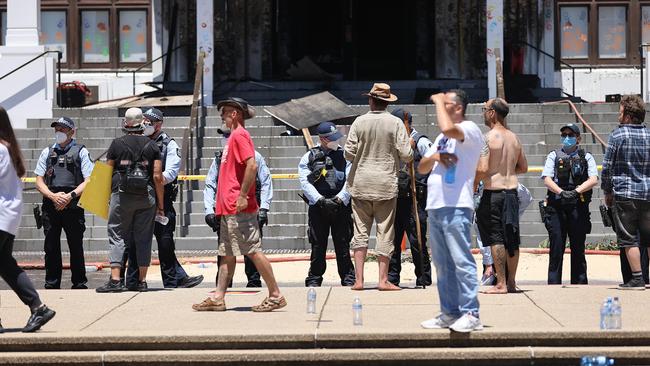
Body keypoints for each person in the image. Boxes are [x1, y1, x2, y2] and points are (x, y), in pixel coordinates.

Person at [193, 97, 286, 311]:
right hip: (229, 208)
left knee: (253, 250)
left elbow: (252, 166)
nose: (222, 117)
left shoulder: (240, 136)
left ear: (234, 113)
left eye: (224, 113)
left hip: (238, 207)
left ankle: (275, 295)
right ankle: (218, 297)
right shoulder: (233, 138)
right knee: (226, 253)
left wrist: (243, 195)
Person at [418, 90, 485, 332]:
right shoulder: (441, 138)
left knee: (461, 260)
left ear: (457, 108)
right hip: (436, 205)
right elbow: (423, 168)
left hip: (457, 206)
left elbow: (448, 129)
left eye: (446, 104)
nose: (440, 107)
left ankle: (471, 312)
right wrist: (435, 155)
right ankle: (449, 312)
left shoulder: (469, 129)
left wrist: (436, 99)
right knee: (442, 265)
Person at [122, 108, 204, 289]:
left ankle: (172, 280)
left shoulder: (169, 144)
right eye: (145, 119)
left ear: (159, 124)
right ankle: (133, 280)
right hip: (139, 197)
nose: (146, 123)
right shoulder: (137, 140)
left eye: (151, 120)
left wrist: (153, 180)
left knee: (165, 241)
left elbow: (171, 173)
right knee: (135, 241)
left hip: (161, 197)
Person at [344, 83, 413, 291]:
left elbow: (348, 153)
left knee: (360, 232)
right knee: (385, 232)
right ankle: (383, 280)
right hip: (385, 183)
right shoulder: (395, 123)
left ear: (370, 100)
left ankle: (359, 280)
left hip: (361, 183)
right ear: (387, 102)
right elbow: (407, 155)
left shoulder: (359, 122)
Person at [96, 108, 164, 293]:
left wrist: (105, 197)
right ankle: (141, 281)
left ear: (125, 124)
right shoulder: (152, 146)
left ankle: (116, 280)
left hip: (121, 195)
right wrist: (161, 205)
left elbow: (107, 172)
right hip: (146, 196)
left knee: (117, 234)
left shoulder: (117, 144)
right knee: (144, 238)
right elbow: (157, 177)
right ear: (143, 123)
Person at [0, 106, 56, 332]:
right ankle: (38, 307)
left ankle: (38, 307)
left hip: (1, 214)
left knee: (6, 265)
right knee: (6, 265)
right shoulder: (8, 148)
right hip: (8, 217)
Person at [203, 126, 271, 288]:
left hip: (248, 210)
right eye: (224, 136)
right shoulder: (220, 159)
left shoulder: (255, 157)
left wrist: (264, 208)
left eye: (229, 135)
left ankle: (255, 281)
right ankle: (223, 287)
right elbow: (210, 184)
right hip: (225, 211)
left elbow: (266, 181)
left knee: (252, 250)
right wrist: (209, 211)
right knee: (225, 252)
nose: (225, 139)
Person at [475, 98, 528, 294]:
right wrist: (506, 170)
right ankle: (512, 283)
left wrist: (474, 183)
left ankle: (501, 283)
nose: (483, 112)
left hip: (494, 193)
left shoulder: (487, 138)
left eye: (485, 109)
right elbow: (523, 167)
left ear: (492, 113)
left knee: (497, 237)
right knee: (512, 237)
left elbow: (482, 168)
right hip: (512, 192)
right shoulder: (514, 138)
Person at [34, 117, 93, 289]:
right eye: (57, 128)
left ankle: (79, 283)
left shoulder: (81, 151)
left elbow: (89, 181)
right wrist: (53, 197)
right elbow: (39, 180)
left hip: (72, 205)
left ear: (72, 131)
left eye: (62, 129)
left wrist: (69, 196)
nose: (59, 132)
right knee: (51, 246)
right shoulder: (47, 152)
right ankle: (52, 283)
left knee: (75, 246)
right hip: (51, 205)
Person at [601, 95, 650, 290]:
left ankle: (637, 278)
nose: (618, 116)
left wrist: (607, 191)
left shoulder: (618, 135)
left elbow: (607, 168)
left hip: (625, 194)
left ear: (628, 116)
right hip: (648, 193)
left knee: (629, 239)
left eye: (620, 112)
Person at [299, 121, 355, 287]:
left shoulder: (345, 156)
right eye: (331, 138)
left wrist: (340, 199)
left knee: (343, 244)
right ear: (322, 139)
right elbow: (304, 181)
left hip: (341, 206)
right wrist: (320, 200)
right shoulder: (309, 156)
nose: (336, 141)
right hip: (318, 207)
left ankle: (348, 278)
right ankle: (315, 278)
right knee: (318, 245)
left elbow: (350, 179)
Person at [540, 123, 598, 285]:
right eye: (564, 134)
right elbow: (546, 178)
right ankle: (553, 284)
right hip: (557, 205)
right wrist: (561, 193)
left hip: (578, 205)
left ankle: (579, 284)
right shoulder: (554, 155)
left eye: (570, 135)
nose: (566, 138)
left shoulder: (586, 156)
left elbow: (593, 179)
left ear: (578, 138)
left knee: (578, 248)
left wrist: (576, 192)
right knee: (556, 248)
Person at [388, 108, 432, 287]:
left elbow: (434, 162)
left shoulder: (421, 141)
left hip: (416, 199)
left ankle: (423, 277)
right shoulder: (393, 141)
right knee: (393, 239)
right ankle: (392, 278)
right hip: (396, 197)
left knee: (417, 240)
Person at [475, 182, 534, 286]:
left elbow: (527, 198)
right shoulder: (482, 189)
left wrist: (514, 214)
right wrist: (488, 263)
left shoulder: (512, 186)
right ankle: (507, 282)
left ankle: (508, 282)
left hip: (504, 196)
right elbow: (480, 232)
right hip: (492, 254)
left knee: (507, 241)